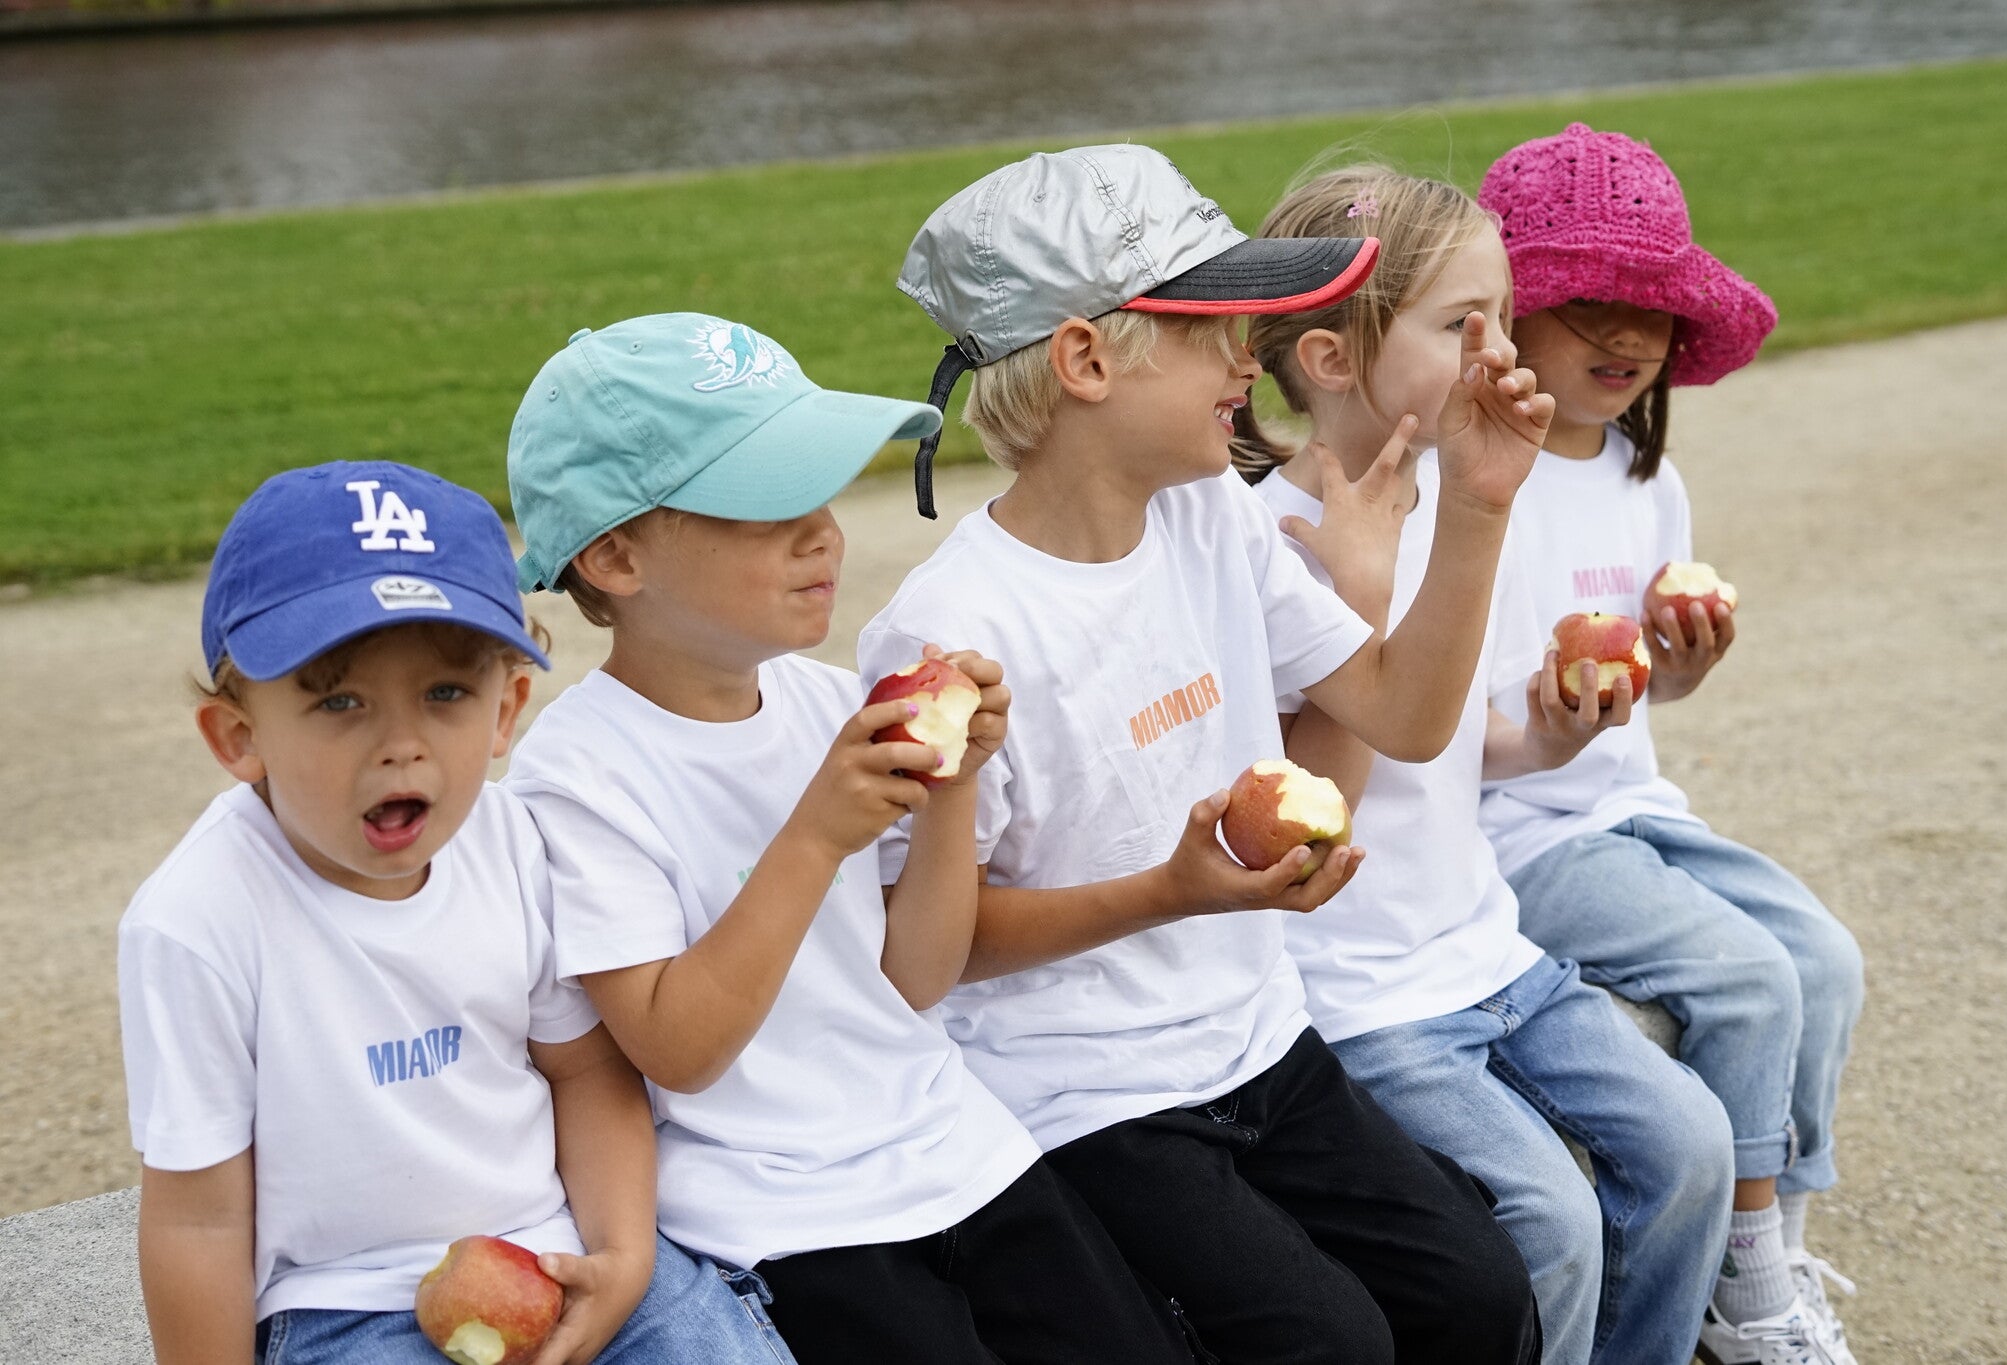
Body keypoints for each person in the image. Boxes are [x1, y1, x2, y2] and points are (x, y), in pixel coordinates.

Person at [859, 143, 1547, 1364]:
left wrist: (1480, 510)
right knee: (1327, 1344)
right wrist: (1167, 894)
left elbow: (1400, 715)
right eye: (1211, 329)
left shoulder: (1208, 515)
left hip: (1258, 1039)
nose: (1250, 358)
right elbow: (941, 946)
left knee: (1477, 1296)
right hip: (1087, 1097)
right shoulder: (950, 631)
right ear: (1083, 360)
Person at [501, 313, 1197, 1365]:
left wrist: (955, 790)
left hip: (949, 1150)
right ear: (615, 555)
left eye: (817, 492)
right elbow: (677, 1051)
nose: (820, 531)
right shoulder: (578, 774)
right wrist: (813, 836)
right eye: (765, 503)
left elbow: (914, 978)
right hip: (780, 1212)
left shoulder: (831, 704)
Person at [118, 460, 796, 1365]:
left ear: (507, 709)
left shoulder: (509, 842)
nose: (402, 745)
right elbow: (197, 1218)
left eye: (446, 694)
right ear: (239, 739)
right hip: (343, 1302)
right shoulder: (197, 919)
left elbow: (586, 1073)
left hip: (548, 1250)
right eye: (339, 701)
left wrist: (625, 1258)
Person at [1232, 161, 1736, 1365]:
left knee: (1693, 1146)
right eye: (1467, 325)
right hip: (1357, 993)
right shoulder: (1267, 545)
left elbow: (1463, 741)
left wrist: (1552, 733)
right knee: (1549, 1222)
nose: (1505, 350)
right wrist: (1355, 606)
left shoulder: (1456, 502)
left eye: (1505, 316)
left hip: (1484, 946)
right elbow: (1308, 824)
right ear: (1331, 359)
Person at [1476, 122, 1866, 1364]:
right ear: (1509, 312)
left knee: (1824, 959)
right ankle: (1744, 1300)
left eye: (1652, 307)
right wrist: (1544, 726)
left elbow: (1642, 701)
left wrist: (1676, 672)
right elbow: (1425, 728)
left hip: (1622, 807)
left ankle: (1770, 1248)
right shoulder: (1464, 477)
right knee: (1745, 979)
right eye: (1588, 301)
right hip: (1507, 834)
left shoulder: (1644, 479)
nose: (1629, 335)